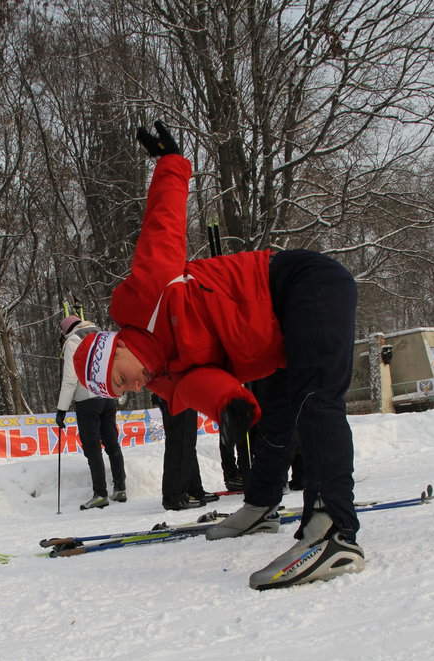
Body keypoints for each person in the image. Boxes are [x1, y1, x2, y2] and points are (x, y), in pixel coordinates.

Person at [72, 121, 364, 589]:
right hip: (279, 340)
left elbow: (162, 222)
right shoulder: (163, 376)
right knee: (275, 418)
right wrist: (232, 406)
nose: (132, 389)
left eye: (121, 379)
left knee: (316, 400)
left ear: (116, 348)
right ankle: (262, 504)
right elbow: (201, 384)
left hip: (300, 284)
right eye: (121, 392)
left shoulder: (147, 293)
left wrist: (170, 162)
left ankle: (334, 530)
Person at [56, 315, 127, 510]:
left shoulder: (73, 340)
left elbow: (71, 378)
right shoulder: (101, 334)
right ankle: (120, 488)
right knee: (112, 443)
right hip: (108, 395)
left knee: (92, 447)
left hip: (87, 399)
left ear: (66, 331)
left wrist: (62, 409)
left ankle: (100, 494)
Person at [152, 394, 219, 510]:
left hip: (182, 390)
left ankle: (192, 488)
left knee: (188, 442)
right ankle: (174, 496)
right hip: (176, 391)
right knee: (180, 441)